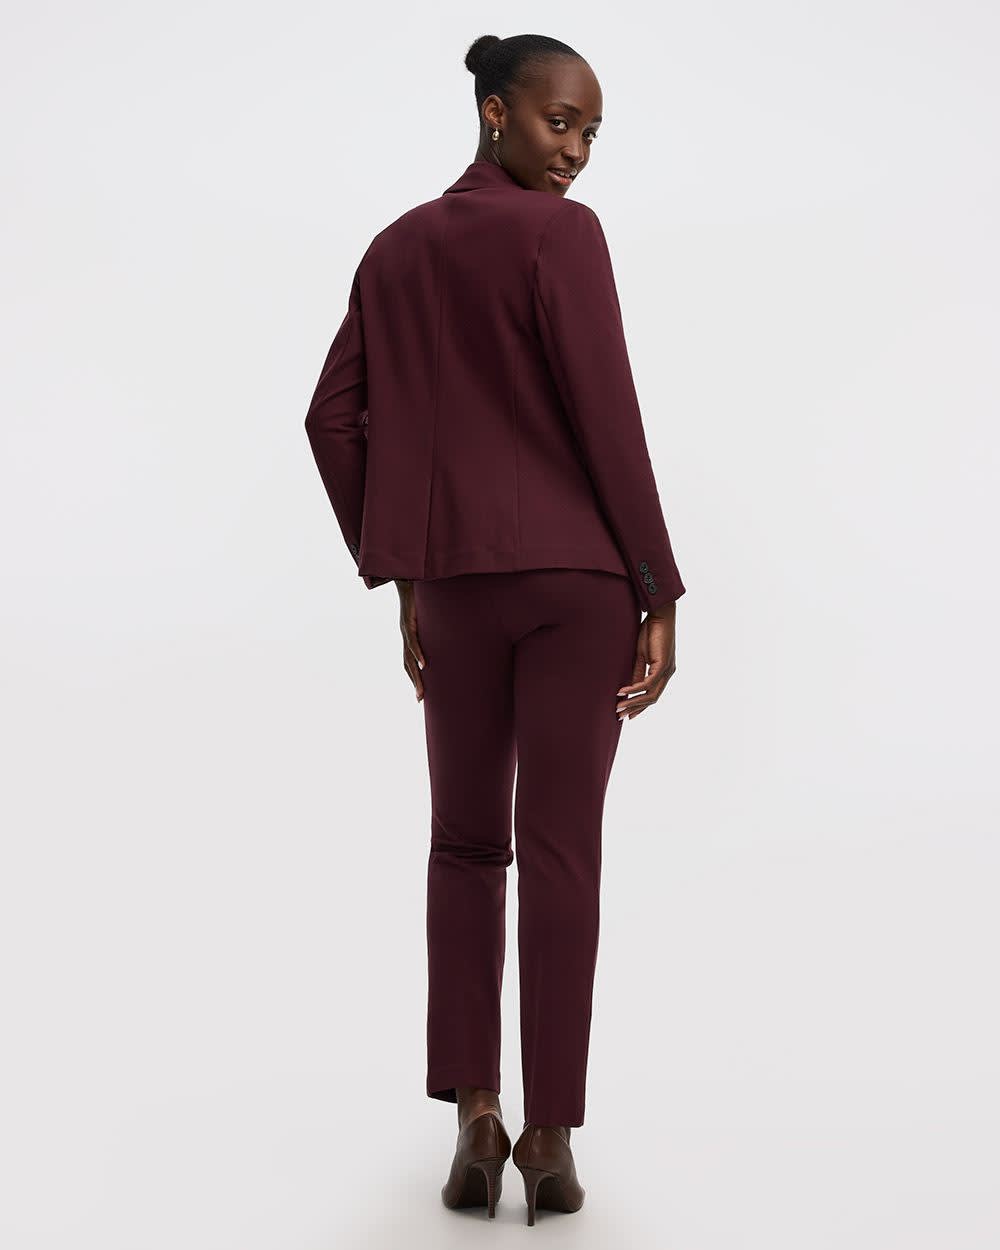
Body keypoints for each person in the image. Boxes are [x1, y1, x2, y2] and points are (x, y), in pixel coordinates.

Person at [304, 31, 687, 1226]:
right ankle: (549, 1136)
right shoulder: (561, 238)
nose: (575, 152)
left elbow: (331, 419)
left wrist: (403, 570)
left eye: (590, 133)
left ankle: (475, 1115)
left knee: (466, 846)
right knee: (559, 848)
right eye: (558, 122)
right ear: (494, 112)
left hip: (457, 590)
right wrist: (658, 588)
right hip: (578, 586)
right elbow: (607, 417)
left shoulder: (396, 249)